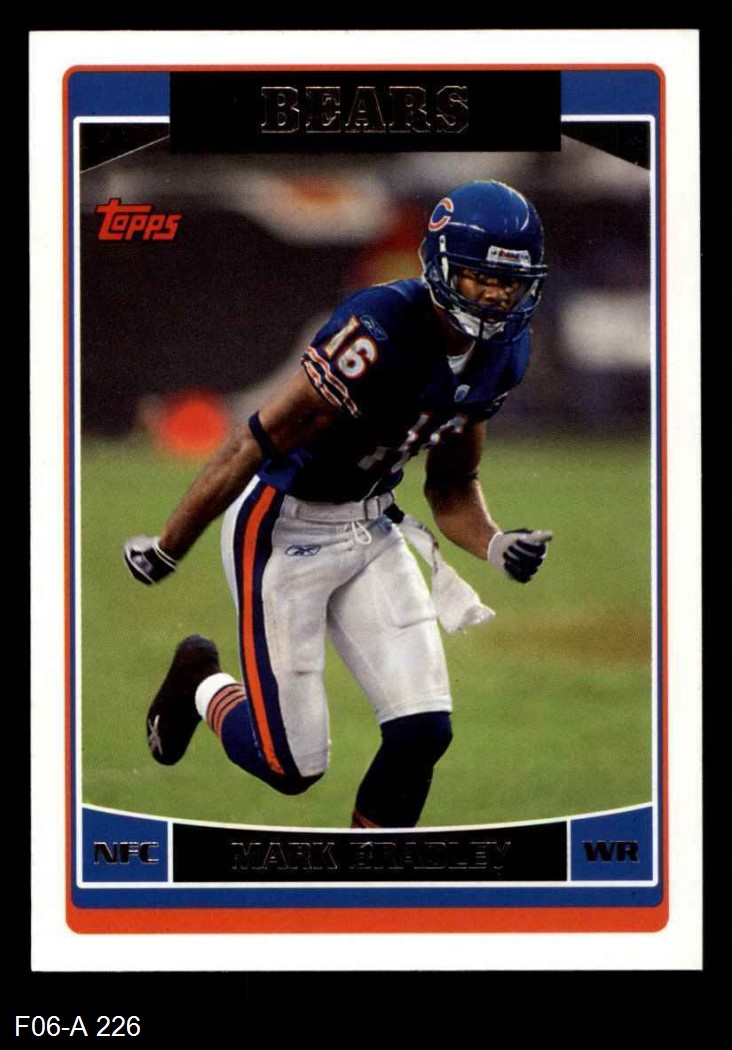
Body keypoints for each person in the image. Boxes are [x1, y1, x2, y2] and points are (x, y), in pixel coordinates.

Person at [123, 179, 553, 829]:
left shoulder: (504, 351)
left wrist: (495, 542)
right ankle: (202, 682)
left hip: (371, 525)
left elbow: (451, 485)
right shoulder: (379, 327)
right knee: (290, 767)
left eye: (509, 283)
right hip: (283, 526)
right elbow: (252, 441)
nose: (496, 296)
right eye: (480, 278)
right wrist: (168, 546)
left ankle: (369, 881)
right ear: (440, 267)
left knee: (422, 731)